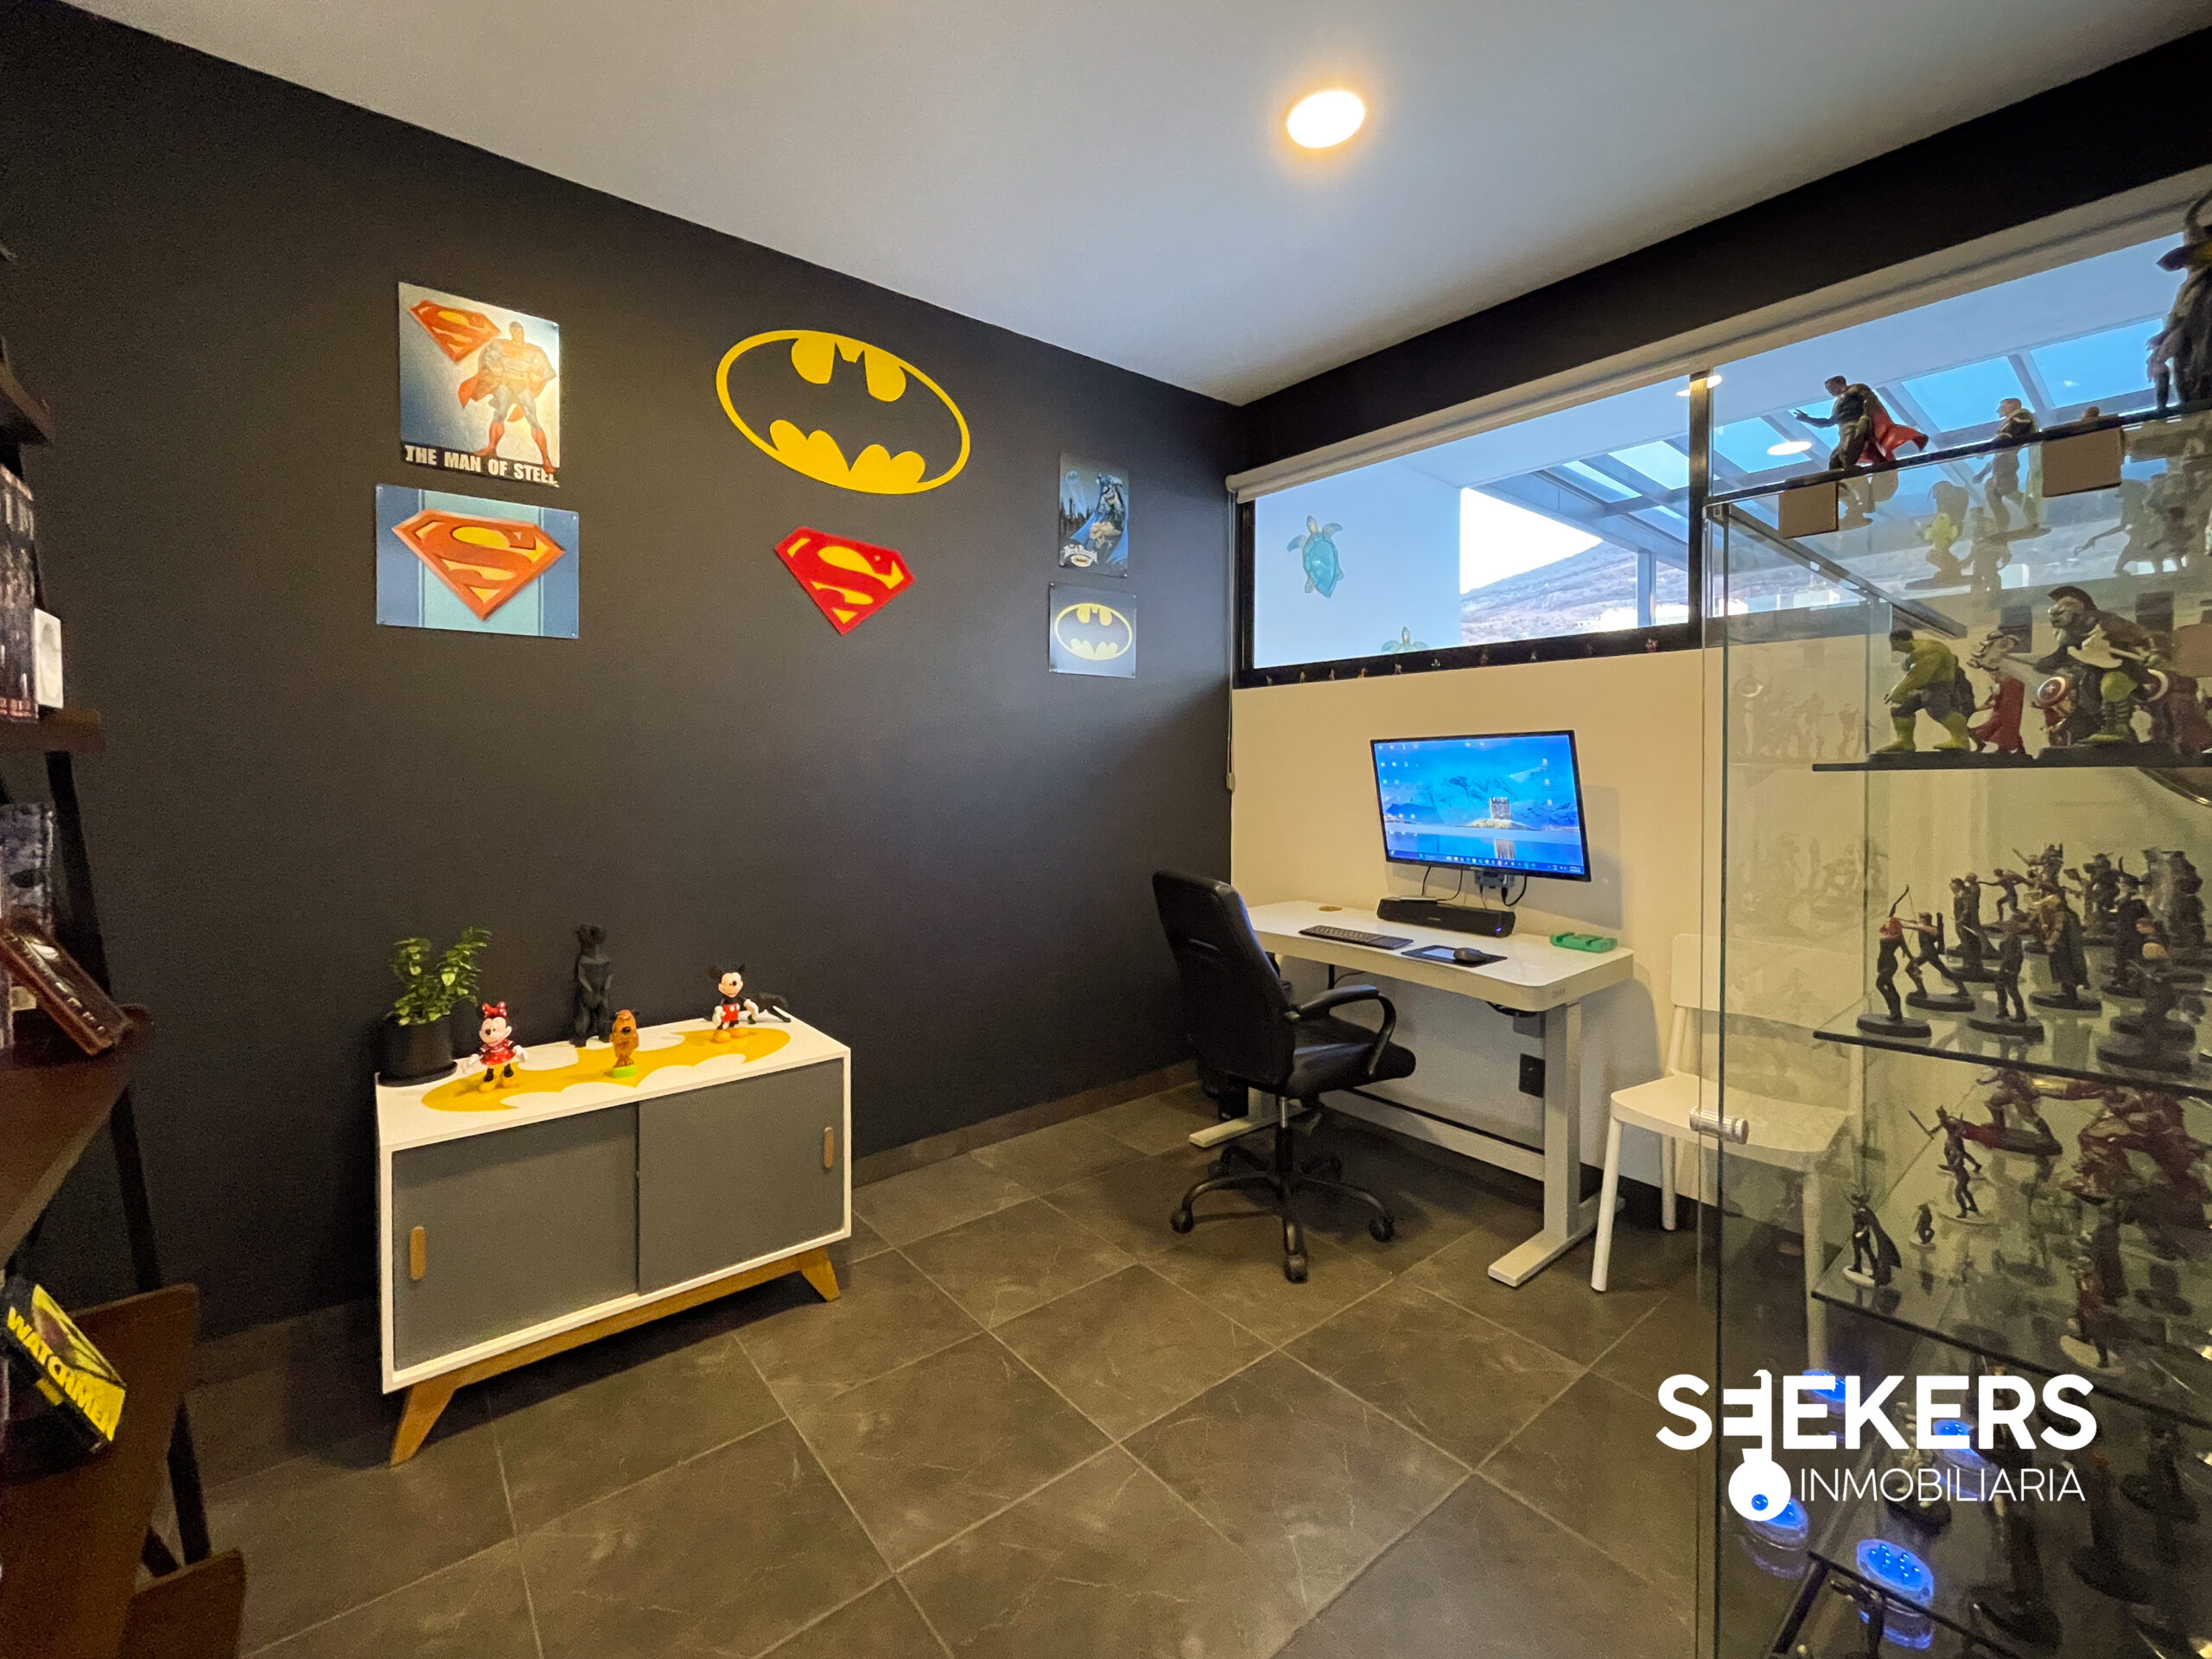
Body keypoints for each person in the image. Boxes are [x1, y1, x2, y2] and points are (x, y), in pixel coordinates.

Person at [1794, 377, 1927, 526]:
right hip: (1844, 432)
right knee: (1834, 468)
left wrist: (1864, 420)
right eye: (1828, 389)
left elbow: (1869, 401)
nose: (1831, 391)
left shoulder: (1856, 389)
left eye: (1832, 387)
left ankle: (1864, 502)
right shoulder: (1838, 403)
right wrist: (1807, 419)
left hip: (1856, 427)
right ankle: (1854, 508)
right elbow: (1828, 422)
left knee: (1847, 461)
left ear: (1841, 383)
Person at [461, 321, 557, 467]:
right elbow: (487, 359)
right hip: (505, 385)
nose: (518, 334)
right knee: (499, 415)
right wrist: (496, 370)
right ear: (511, 333)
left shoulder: (534, 350)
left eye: (519, 331)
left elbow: (546, 371)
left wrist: (536, 376)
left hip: (522, 387)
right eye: (515, 331)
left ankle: (546, 459)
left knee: (533, 420)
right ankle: (491, 447)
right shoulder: (501, 345)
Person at [1878, 628, 1974, 753]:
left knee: (1938, 707)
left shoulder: (1927, 649)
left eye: (1893, 643)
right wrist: (1900, 693)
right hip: (1925, 686)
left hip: (1940, 685)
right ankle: (1905, 741)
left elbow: (1918, 675)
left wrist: (1899, 691)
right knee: (1901, 706)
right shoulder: (1913, 652)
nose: (1892, 647)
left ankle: (1961, 740)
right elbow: (1913, 675)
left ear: (1899, 640)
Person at [1980, 397, 2040, 531]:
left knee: (2007, 490)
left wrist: (1987, 447)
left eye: (2003, 407)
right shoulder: (2013, 420)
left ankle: (2033, 518)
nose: (1999, 410)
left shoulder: (2021, 417)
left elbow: (2007, 436)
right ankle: (2002, 523)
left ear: (2012, 406)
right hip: (2002, 459)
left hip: (2007, 459)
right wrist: (1982, 473)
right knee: (1991, 489)